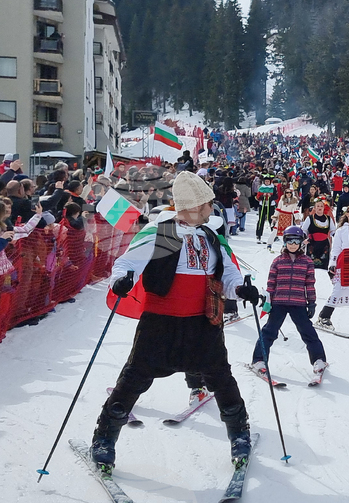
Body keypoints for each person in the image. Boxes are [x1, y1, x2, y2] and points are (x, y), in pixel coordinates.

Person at [95, 172, 258, 474]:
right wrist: (122, 281)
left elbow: (230, 274)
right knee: (134, 379)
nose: (212, 208)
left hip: (201, 323)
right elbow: (125, 264)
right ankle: (104, 439)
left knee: (221, 379)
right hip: (161, 322)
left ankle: (239, 435)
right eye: (207, 203)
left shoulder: (212, 237)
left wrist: (241, 289)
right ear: (194, 205)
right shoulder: (163, 233)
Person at [251, 226, 327, 378]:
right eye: (289, 241)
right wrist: (268, 301)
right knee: (269, 331)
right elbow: (271, 284)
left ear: (301, 243)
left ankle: (319, 359)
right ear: (285, 242)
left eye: (296, 241)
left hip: (298, 303)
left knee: (307, 331)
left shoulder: (307, 262)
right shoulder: (277, 261)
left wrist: (311, 303)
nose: (293, 244)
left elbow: (309, 284)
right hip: (279, 302)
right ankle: (259, 360)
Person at [301, 198, 333, 268]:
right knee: (311, 266)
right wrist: (304, 240)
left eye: (321, 206)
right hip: (312, 244)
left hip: (324, 244)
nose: (319, 208)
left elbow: (333, 231)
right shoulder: (310, 218)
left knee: (323, 266)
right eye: (318, 206)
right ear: (314, 208)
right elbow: (304, 230)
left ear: (324, 208)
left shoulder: (328, 218)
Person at [255, 175, 277, 243]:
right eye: (266, 181)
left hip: (271, 205)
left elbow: (276, 196)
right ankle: (258, 234)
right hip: (263, 205)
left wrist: (271, 197)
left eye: (268, 181)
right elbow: (257, 197)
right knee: (261, 219)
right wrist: (262, 196)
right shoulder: (261, 187)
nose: (267, 182)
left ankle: (274, 234)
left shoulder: (273, 187)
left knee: (271, 219)